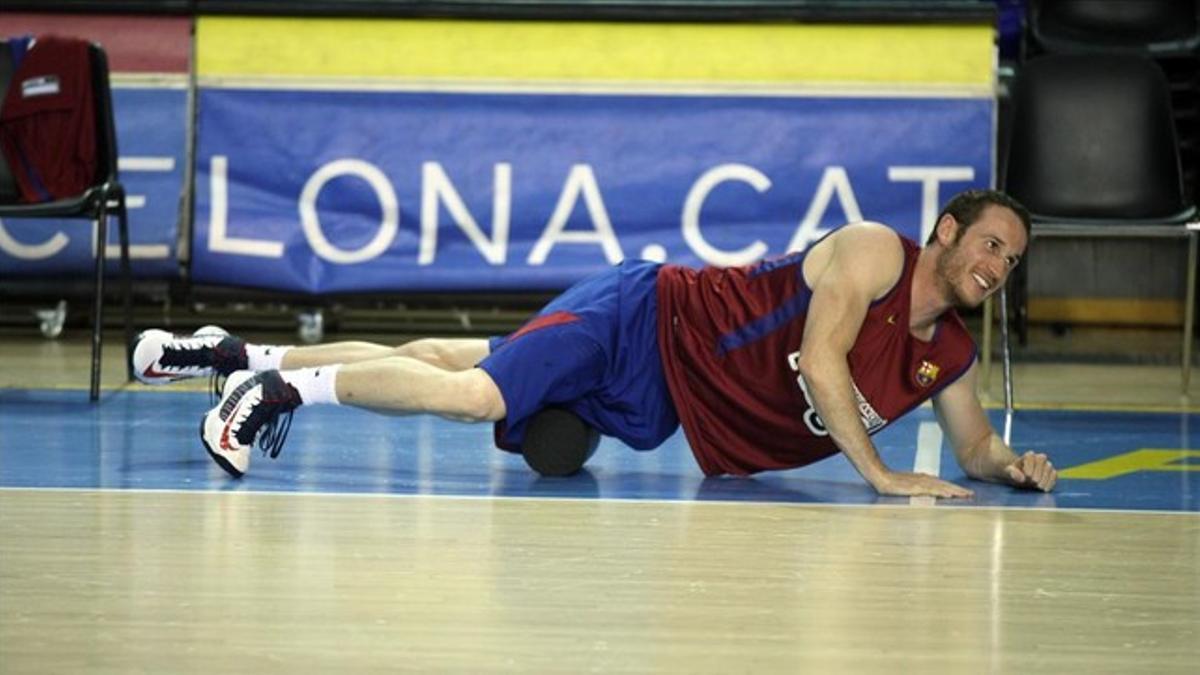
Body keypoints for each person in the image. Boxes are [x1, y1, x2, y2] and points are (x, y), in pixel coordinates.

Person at [133, 188, 1057, 497]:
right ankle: (274, 396)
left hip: (661, 404)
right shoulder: (872, 253)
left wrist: (1009, 463)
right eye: (989, 243)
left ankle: (230, 355)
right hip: (646, 319)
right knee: (480, 396)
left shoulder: (951, 356)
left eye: (1012, 260)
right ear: (945, 229)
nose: (998, 265)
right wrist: (885, 478)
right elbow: (820, 360)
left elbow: (973, 444)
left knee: (460, 364)